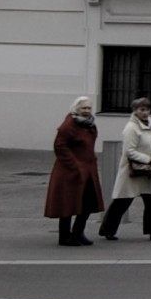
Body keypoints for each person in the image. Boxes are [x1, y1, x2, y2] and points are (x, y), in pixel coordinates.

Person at [103, 98, 151, 242]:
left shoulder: (149, 126)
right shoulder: (131, 128)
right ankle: (108, 230)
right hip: (133, 170)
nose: (145, 113)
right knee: (122, 201)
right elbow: (129, 151)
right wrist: (148, 159)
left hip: (147, 171)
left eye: (147, 109)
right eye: (141, 110)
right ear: (135, 111)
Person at [43, 99, 104, 248]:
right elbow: (59, 146)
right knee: (68, 204)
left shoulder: (89, 123)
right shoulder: (68, 125)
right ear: (76, 108)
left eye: (89, 108)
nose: (87, 110)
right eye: (83, 108)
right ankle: (64, 237)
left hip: (87, 170)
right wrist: (74, 165)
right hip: (70, 172)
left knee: (87, 203)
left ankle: (77, 233)